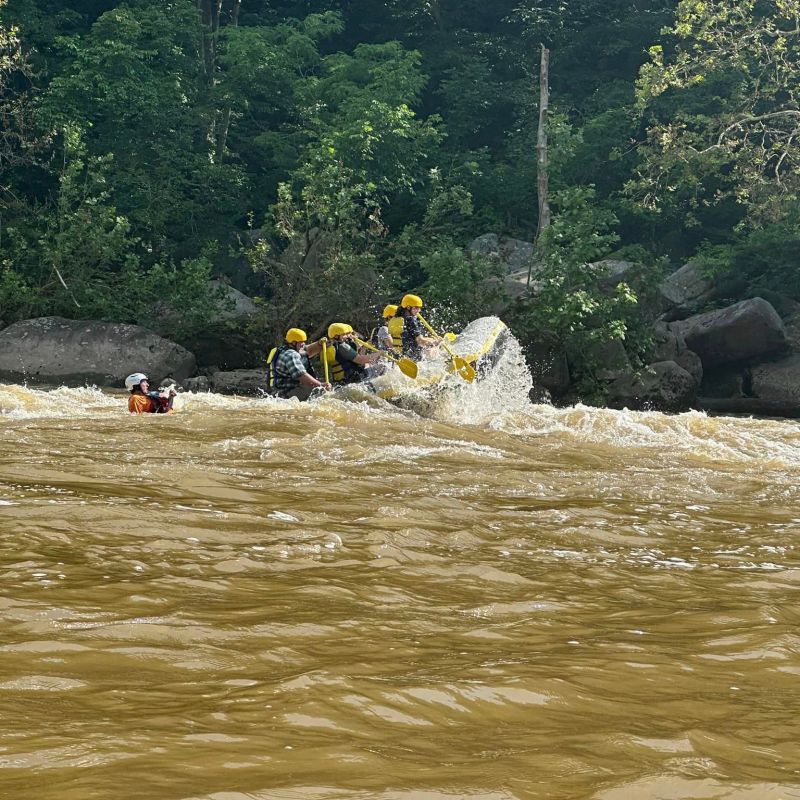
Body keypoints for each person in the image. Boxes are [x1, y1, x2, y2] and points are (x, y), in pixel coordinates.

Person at [267, 328, 331, 401]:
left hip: (279, 393)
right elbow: (301, 375)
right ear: (293, 343)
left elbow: (307, 351)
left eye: (304, 341)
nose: (303, 344)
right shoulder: (291, 355)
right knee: (316, 388)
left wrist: (319, 344)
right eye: (301, 342)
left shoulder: (282, 349)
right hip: (286, 395)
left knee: (314, 385)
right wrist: (321, 385)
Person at [393, 294, 441, 361]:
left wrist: (431, 339)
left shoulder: (395, 319)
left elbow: (409, 337)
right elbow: (420, 341)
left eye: (419, 308)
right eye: (416, 308)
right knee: (436, 349)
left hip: (401, 356)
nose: (419, 310)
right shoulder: (411, 320)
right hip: (415, 357)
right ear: (408, 307)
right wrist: (436, 342)